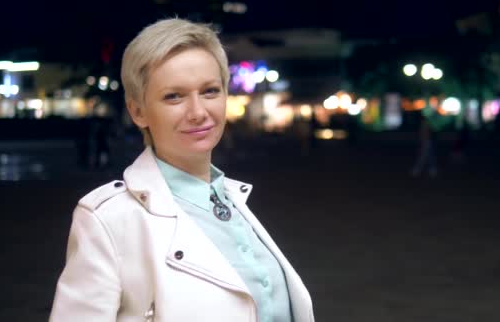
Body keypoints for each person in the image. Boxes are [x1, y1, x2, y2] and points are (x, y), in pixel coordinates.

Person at [49, 18, 314, 322]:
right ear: (138, 111)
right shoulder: (109, 219)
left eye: (210, 91)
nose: (198, 112)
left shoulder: (233, 200)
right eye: (174, 96)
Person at [411, 113, 438, 178]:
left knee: (424, 156)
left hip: (427, 141)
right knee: (428, 155)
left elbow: (427, 133)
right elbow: (423, 133)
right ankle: (432, 169)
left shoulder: (426, 122)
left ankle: (418, 169)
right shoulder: (426, 122)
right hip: (426, 141)